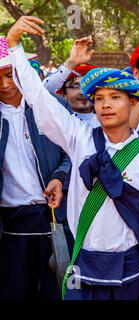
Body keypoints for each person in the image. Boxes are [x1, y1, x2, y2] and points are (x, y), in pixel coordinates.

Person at [7, 16, 139, 300]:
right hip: (82, 267)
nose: (105, 104)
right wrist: (14, 46)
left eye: (115, 97)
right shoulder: (79, 138)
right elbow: (37, 96)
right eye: (99, 98)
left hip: (131, 269)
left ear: (133, 102)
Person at [0, 33, 71, 300]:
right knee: (13, 290)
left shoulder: (51, 108)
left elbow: (73, 152)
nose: (6, 84)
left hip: (53, 217)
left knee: (55, 290)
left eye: (11, 74)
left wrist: (59, 178)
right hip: (10, 224)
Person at [43, 37, 99, 127]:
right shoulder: (59, 124)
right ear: (63, 94)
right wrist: (71, 63)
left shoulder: (108, 124)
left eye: (88, 86)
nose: (82, 92)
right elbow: (43, 91)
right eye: (75, 86)